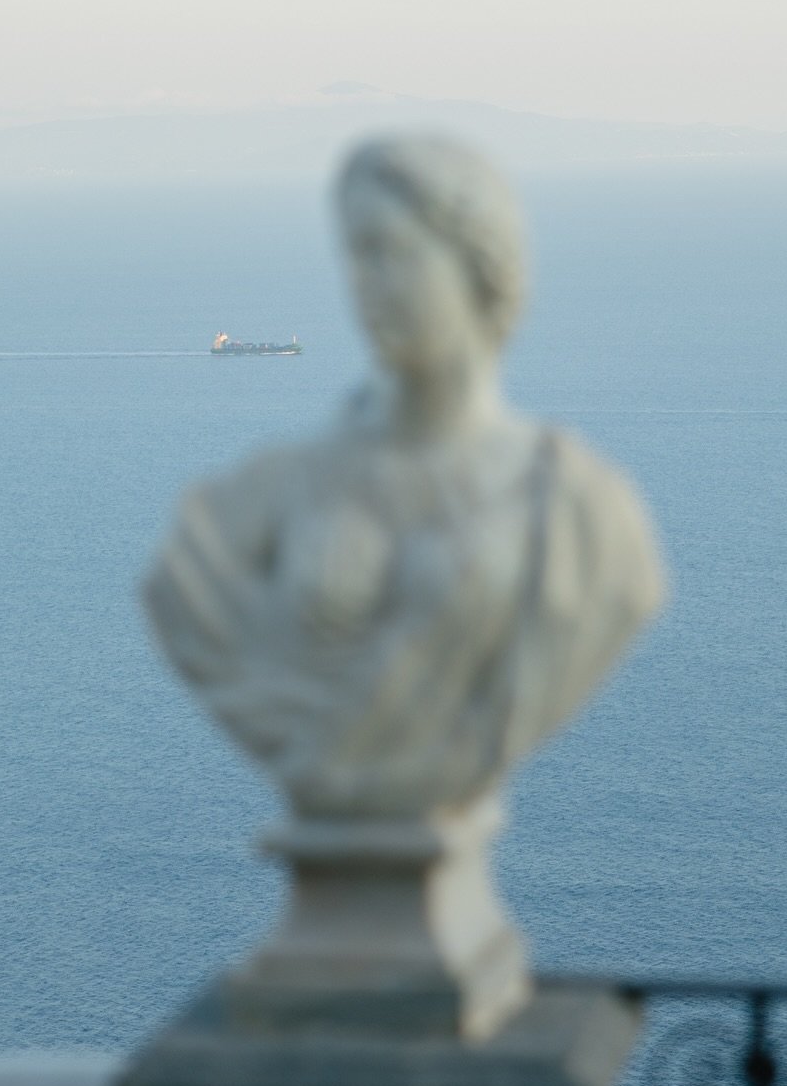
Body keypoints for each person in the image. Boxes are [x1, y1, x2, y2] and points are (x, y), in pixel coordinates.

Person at [144, 133, 666, 821]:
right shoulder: (279, 488)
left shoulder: (583, 513)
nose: (364, 285)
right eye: (354, 256)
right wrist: (291, 621)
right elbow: (180, 590)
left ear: (478, 267)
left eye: (391, 252)